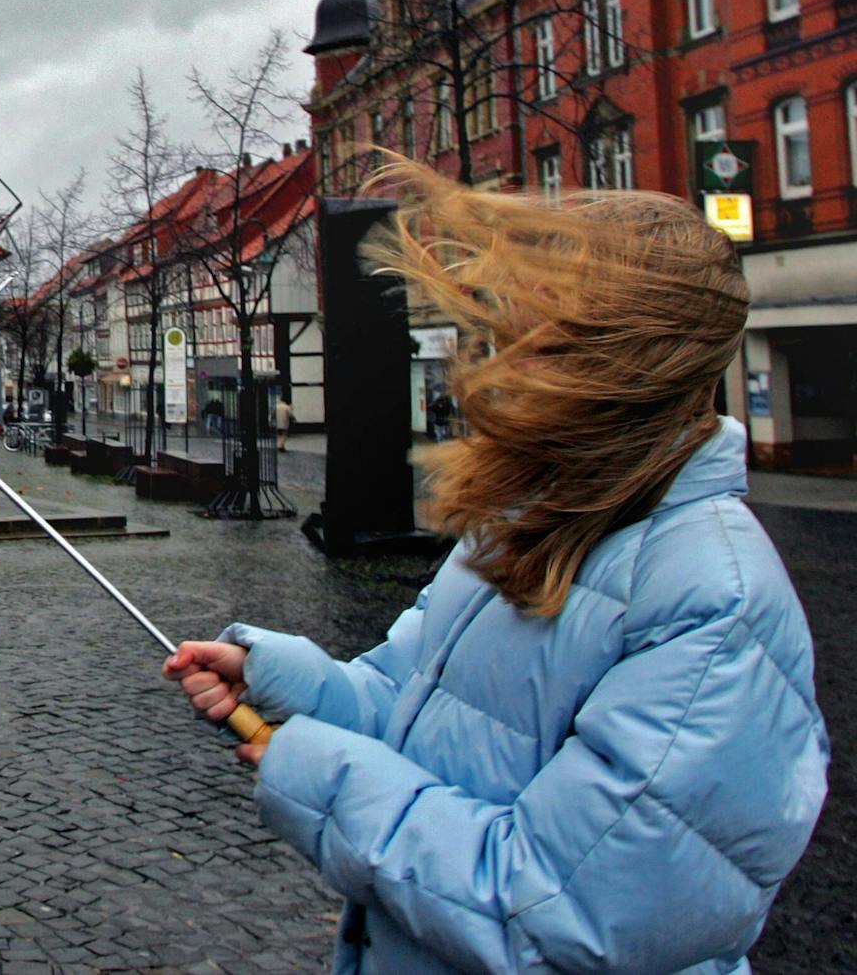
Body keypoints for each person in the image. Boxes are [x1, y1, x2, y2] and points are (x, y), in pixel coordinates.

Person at [163, 160, 826, 974]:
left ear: (626, 361)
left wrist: (316, 772)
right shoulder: (524, 518)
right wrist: (293, 682)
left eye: (537, 335)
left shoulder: (714, 603)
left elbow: (560, 915)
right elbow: (412, 710)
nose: (499, 361)